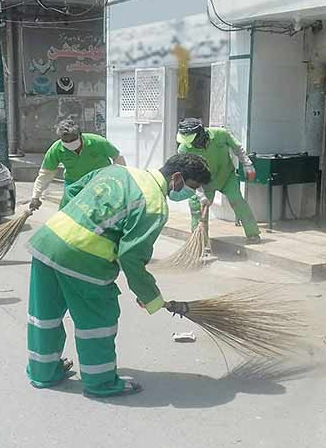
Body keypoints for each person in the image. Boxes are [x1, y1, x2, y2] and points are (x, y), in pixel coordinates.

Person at [25, 153, 211, 397]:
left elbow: (73, 191)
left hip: (48, 240)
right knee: (97, 321)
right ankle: (100, 382)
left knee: (44, 314)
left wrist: (71, 225)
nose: (190, 193)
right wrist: (151, 297)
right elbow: (132, 257)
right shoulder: (154, 204)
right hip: (83, 259)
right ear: (177, 178)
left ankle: (43, 373)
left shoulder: (118, 171)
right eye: (192, 186)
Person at [176, 118, 261, 244]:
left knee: (237, 201)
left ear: (200, 134)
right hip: (204, 183)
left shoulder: (221, 134)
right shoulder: (184, 149)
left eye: (192, 140)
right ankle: (199, 241)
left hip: (226, 176)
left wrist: (247, 164)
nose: (190, 144)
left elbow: (237, 148)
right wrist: (200, 194)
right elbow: (190, 175)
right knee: (196, 206)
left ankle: (253, 233)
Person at [29, 119, 126, 211]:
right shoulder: (56, 150)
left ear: (80, 135)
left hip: (100, 182)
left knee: (102, 212)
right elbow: (46, 174)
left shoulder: (98, 142)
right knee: (68, 212)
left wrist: (121, 182)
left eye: (72, 140)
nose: (69, 144)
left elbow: (118, 158)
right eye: (65, 141)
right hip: (74, 184)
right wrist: (35, 196)